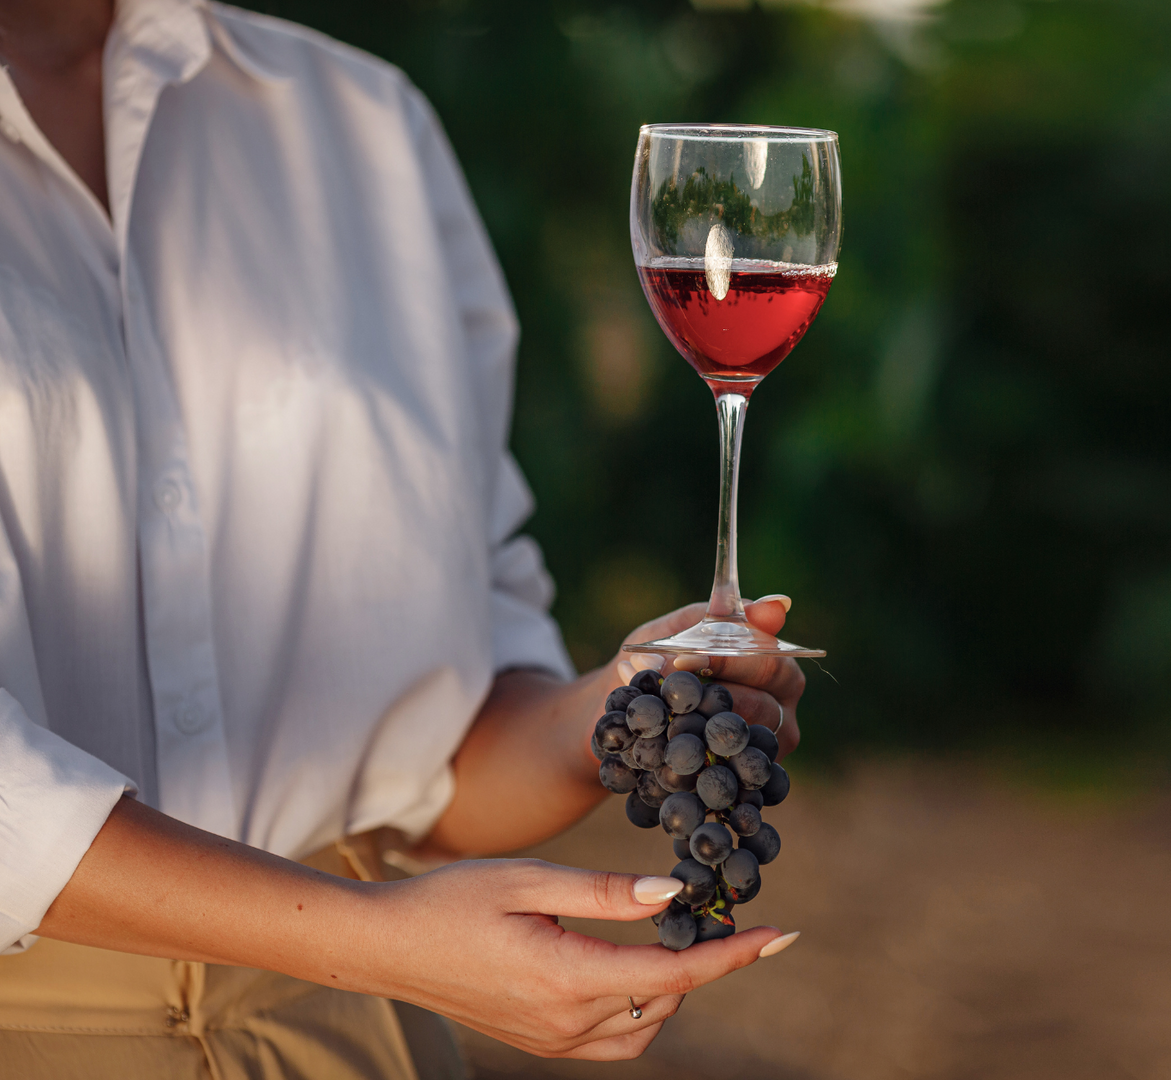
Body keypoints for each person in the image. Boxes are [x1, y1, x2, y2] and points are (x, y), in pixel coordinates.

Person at [0, 0, 808, 1074]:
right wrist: (374, 939)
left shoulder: (365, 125)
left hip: (358, 1041)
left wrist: (621, 712)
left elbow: (445, 756)